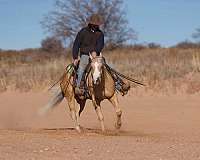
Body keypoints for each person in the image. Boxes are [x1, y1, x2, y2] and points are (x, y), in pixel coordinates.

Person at [72, 14, 104, 95]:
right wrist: (75, 57)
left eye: (96, 24)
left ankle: (117, 84)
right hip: (85, 54)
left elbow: (101, 44)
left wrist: (95, 51)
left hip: (97, 55)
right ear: (90, 24)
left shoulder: (100, 34)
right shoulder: (82, 32)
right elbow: (76, 44)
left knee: (108, 66)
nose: (95, 26)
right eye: (94, 24)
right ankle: (79, 86)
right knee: (82, 66)